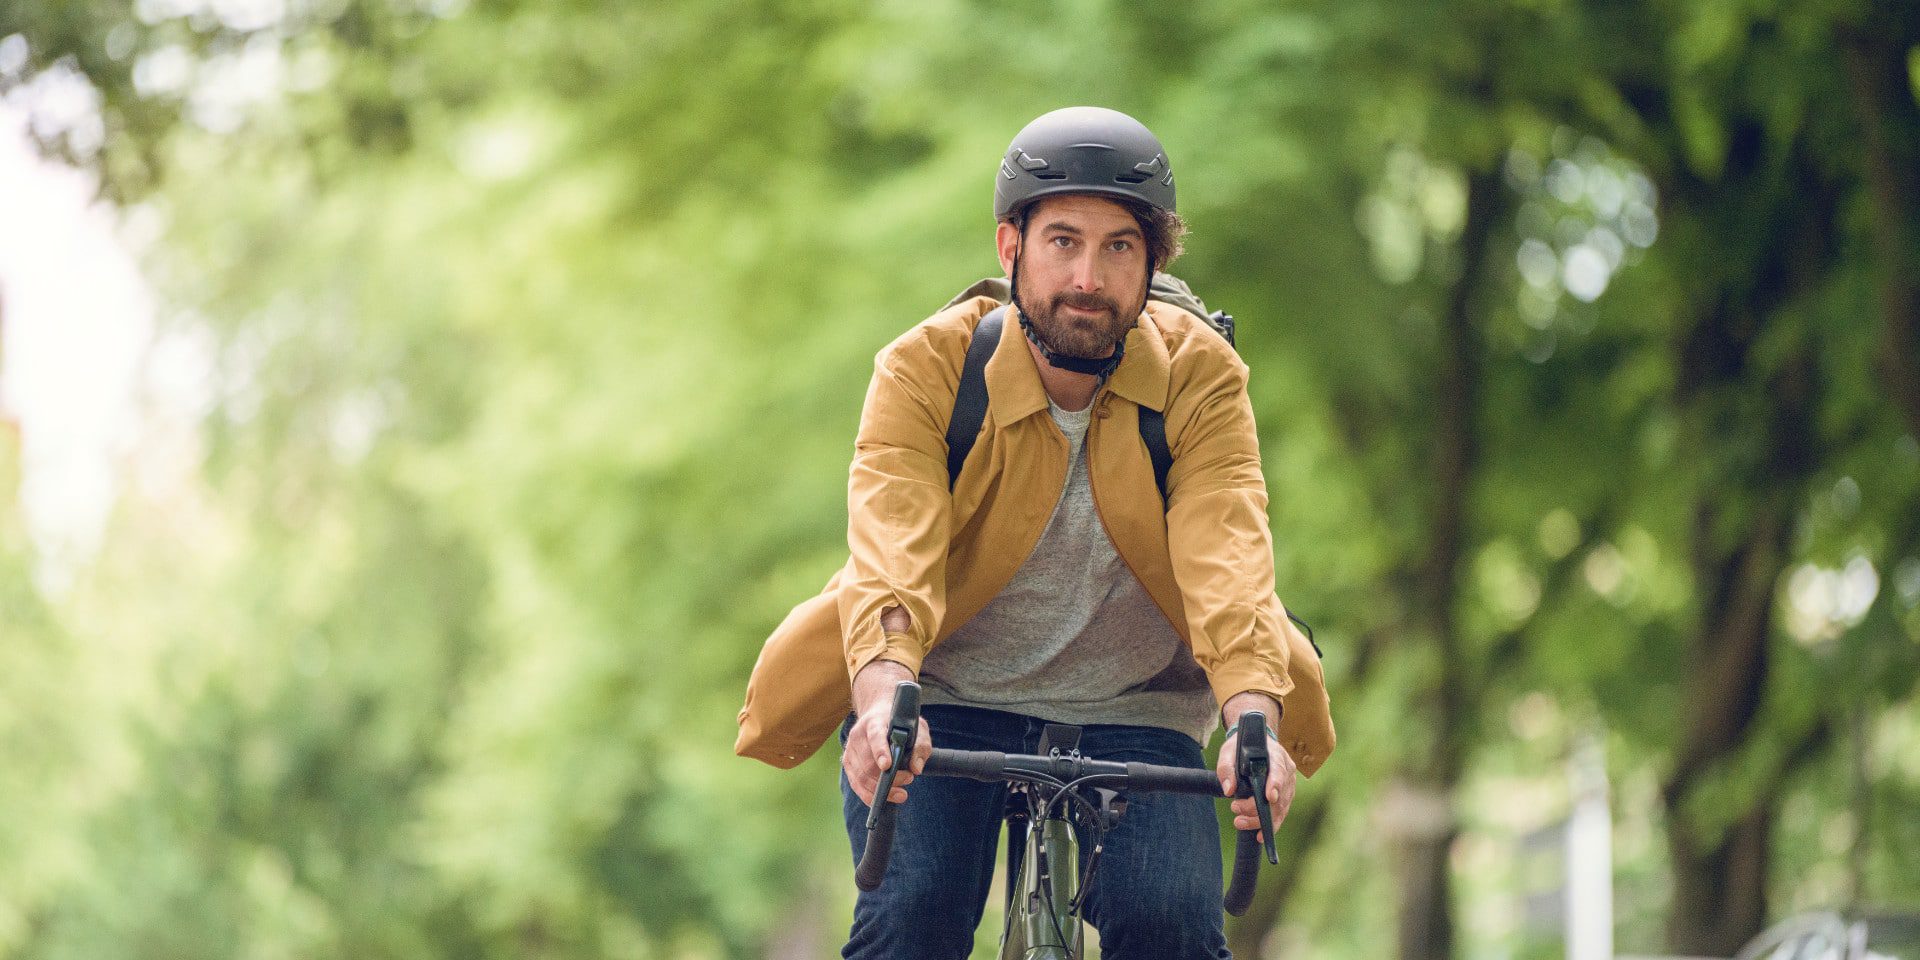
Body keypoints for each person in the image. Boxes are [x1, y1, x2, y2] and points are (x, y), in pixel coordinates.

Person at [735, 106, 1336, 959]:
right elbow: (891, 554)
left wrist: (1252, 721)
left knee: (1172, 925)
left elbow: (1228, 556)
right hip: (942, 698)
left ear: (1153, 263)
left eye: (1119, 247)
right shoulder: (927, 369)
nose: (1088, 276)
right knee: (912, 919)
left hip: (1139, 707)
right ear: (1010, 247)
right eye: (1062, 241)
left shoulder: (1201, 377)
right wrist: (882, 700)